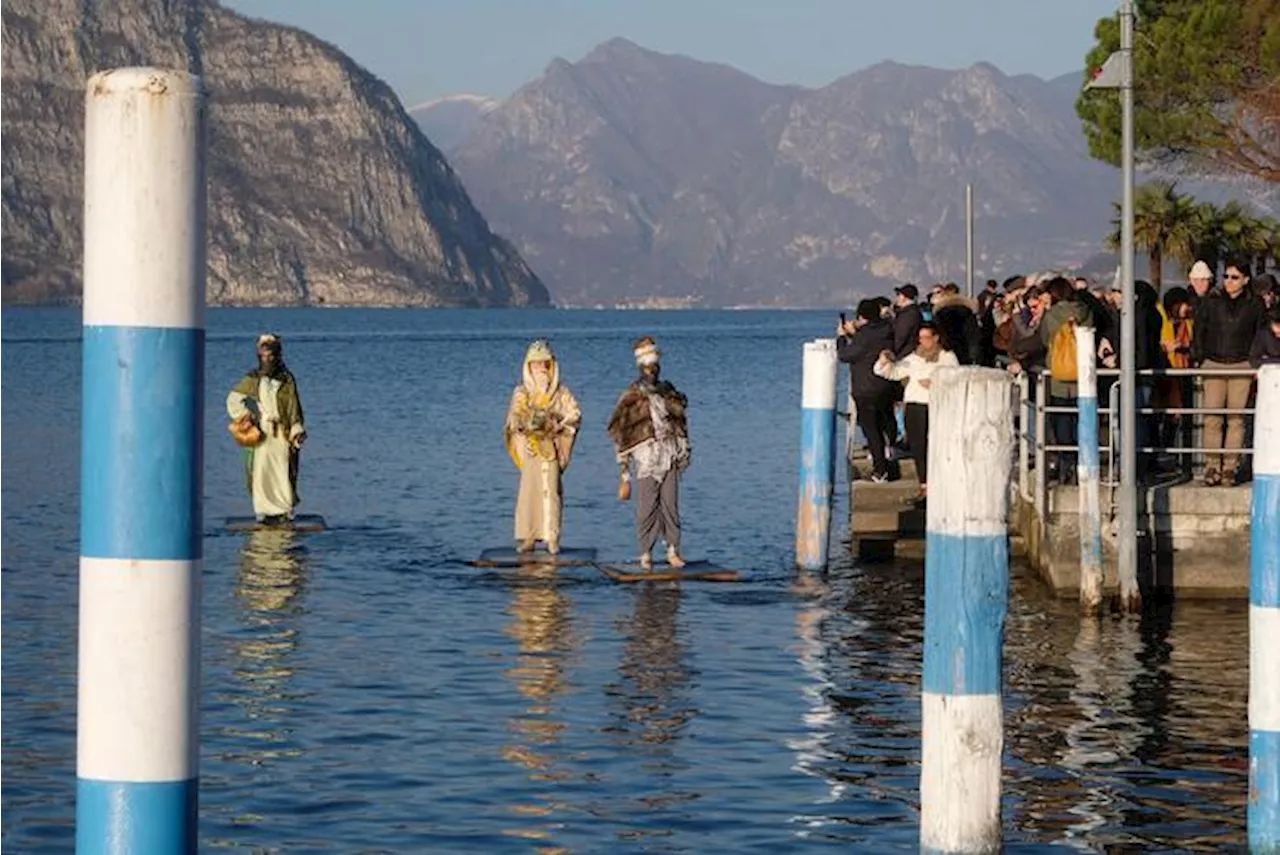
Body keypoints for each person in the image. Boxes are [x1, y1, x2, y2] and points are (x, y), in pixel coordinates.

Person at [608, 337, 691, 570]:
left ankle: (673, 550)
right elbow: (622, 434)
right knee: (646, 507)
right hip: (646, 457)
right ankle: (646, 552)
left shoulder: (668, 392)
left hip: (669, 452)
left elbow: (680, 422)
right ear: (640, 368)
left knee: (671, 505)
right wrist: (624, 474)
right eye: (647, 368)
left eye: (654, 367)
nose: (651, 372)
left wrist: (683, 446)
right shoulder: (631, 396)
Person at [504, 339, 582, 554]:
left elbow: (575, 414)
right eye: (536, 364)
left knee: (551, 493)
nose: (542, 369)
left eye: (545, 364)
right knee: (529, 493)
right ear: (529, 367)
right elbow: (514, 417)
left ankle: (552, 538)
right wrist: (522, 426)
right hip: (530, 449)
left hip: (551, 450)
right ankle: (528, 537)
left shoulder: (561, 393)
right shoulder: (522, 393)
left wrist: (557, 425)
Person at [1192, 259, 1264, 485]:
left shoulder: (1255, 305)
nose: (1229, 282)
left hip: (1242, 364)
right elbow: (1199, 329)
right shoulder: (1212, 302)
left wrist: (1254, 362)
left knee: (1236, 419)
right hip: (1213, 363)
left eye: (1234, 277)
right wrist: (1200, 357)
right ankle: (1212, 466)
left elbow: (1259, 333)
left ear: (1246, 280)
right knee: (1212, 417)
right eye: (1226, 277)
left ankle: (1230, 468)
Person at [226, 333, 307, 524]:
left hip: (282, 433)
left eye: (271, 356)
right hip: (262, 431)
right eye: (264, 356)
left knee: (283, 470)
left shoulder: (287, 379)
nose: (267, 359)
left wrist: (297, 429)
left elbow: (294, 407)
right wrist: (245, 417)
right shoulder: (253, 379)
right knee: (261, 471)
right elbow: (233, 398)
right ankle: (263, 511)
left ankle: (284, 509)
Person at [873, 322, 958, 504]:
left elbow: (956, 379)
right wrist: (884, 360)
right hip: (913, 406)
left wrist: (936, 382)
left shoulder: (947, 357)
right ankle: (924, 487)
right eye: (920, 338)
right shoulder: (914, 357)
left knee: (936, 447)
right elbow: (893, 373)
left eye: (926, 338)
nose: (923, 342)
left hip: (935, 406)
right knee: (918, 448)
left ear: (936, 338)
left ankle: (940, 487)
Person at [838, 299, 898, 482]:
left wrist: (842, 337)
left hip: (866, 388)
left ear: (862, 316)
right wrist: (855, 334)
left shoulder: (864, 335)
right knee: (885, 420)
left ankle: (880, 471)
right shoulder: (888, 329)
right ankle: (890, 454)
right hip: (886, 384)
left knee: (871, 430)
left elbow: (846, 355)